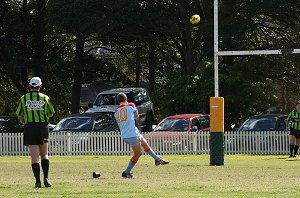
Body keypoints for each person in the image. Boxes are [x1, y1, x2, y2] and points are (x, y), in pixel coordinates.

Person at [114, 92, 169, 178]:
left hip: (127, 133)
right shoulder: (131, 105)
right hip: (132, 134)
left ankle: (158, 159)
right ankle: (126, 172)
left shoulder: (116, 110)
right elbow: (137, 117)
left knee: (145, 144)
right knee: (138, 154)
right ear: (126, 99)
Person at [16, 77, 55, 188]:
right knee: (44, 154)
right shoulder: (44, 98)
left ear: (29, 86)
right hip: (42, 127)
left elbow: (19, 115)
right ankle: (46, 178)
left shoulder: (24, 98)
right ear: (40, 86)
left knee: (34, 156)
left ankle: (37, 182)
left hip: (30, 127)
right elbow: (51, 113)